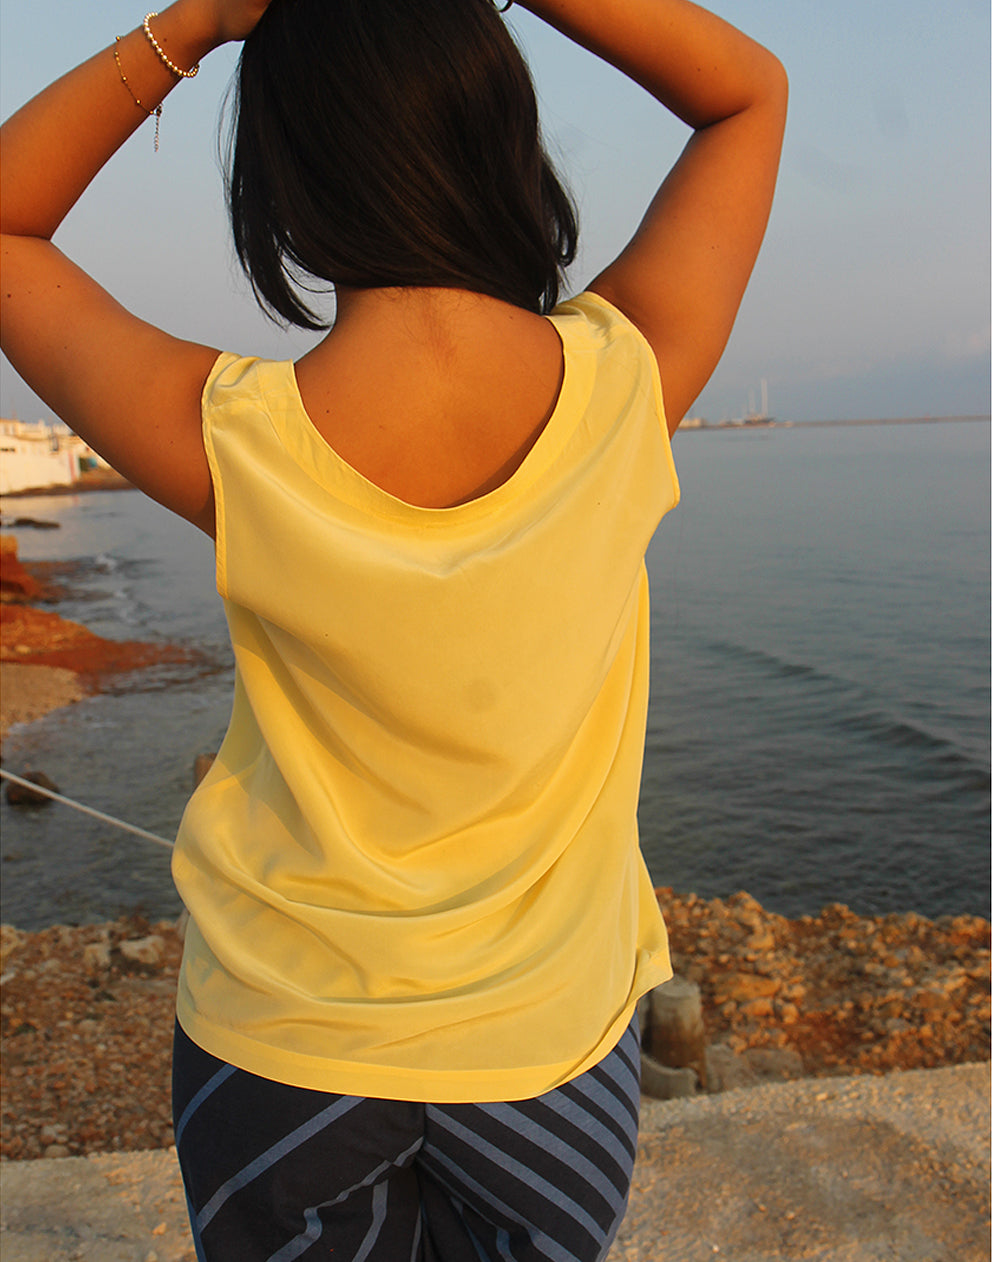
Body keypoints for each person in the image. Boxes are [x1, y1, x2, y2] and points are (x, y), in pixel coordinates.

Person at [0, 0, 786, 1256]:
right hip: (545, 1047)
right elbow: (747, 91)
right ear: (502, 143)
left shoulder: (233, 437)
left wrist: (198, 21)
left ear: (282, 185)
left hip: (281, 1041)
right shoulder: (622, 385)